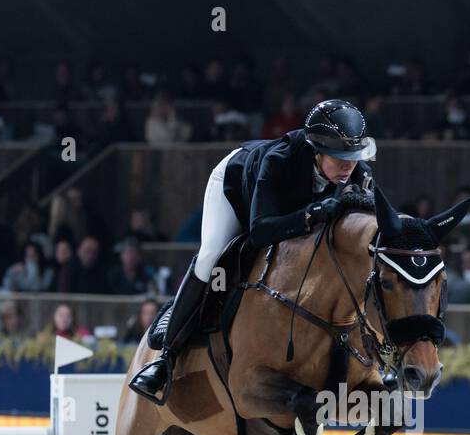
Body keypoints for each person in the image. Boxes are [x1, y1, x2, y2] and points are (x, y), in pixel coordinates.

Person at [129, 98, 377, 403]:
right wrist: (311, 215)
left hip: (285, 209)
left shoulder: (356, 172)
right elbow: (260, 231)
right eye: (339, 157)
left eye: (352, 156)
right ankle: (164, 359)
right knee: (211, 258)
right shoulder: (279, 161)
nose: (347, 165)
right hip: (236, 190)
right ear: (316, 150)